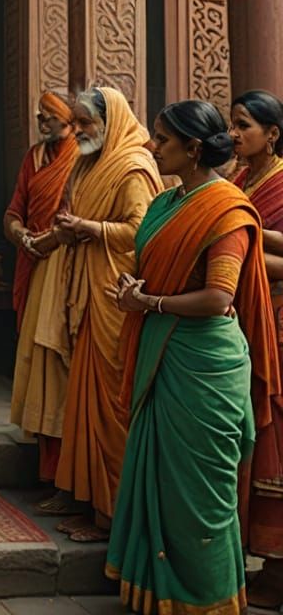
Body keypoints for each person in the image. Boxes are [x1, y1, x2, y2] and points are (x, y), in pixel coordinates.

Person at [106, 99, 279, 615]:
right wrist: (138, 289)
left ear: (194, 147)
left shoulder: (224, 209)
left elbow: (218, 299)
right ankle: (159, 593)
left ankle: (206, 602)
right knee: (159, 478)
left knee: (201, 495)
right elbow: (156, 266)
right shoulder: (167, 201)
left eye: (161, 139)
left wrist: (148, 302)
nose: (151, 146)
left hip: (205, 365)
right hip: (164, 349)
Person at [43, 87, 160, 540]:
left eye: (86, 124)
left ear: (110, 123)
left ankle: (115, 514)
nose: (79, 132)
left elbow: (141, 230)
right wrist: (68, 230)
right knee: (85, 402)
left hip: (114, 294)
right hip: (86, 290)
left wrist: (87, 229)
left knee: (113, 405)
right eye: (76, 123)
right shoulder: (87, 161)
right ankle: (90, 502)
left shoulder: (132, 166)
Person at [6, 91, 78, 483]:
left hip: (64, 264)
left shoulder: (81, 157)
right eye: (40, 115)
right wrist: (22, 237)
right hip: (32, 260)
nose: (42, 121)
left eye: (48, 116)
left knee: (57, 358)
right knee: (34, 356)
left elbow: (75, 216)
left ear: (69, 120)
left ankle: (62, 470)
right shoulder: (33, 158)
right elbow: (14, 211)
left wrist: (44, 242)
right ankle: (44, 461)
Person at [230, 90, 283, 607]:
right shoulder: (240, 179)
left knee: (275, 441)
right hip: (247, 321)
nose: (235, 134)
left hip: (279, 326)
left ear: (272, 134)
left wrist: (240, 250)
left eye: (244, 125)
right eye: (231, 125)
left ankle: (277, 561)